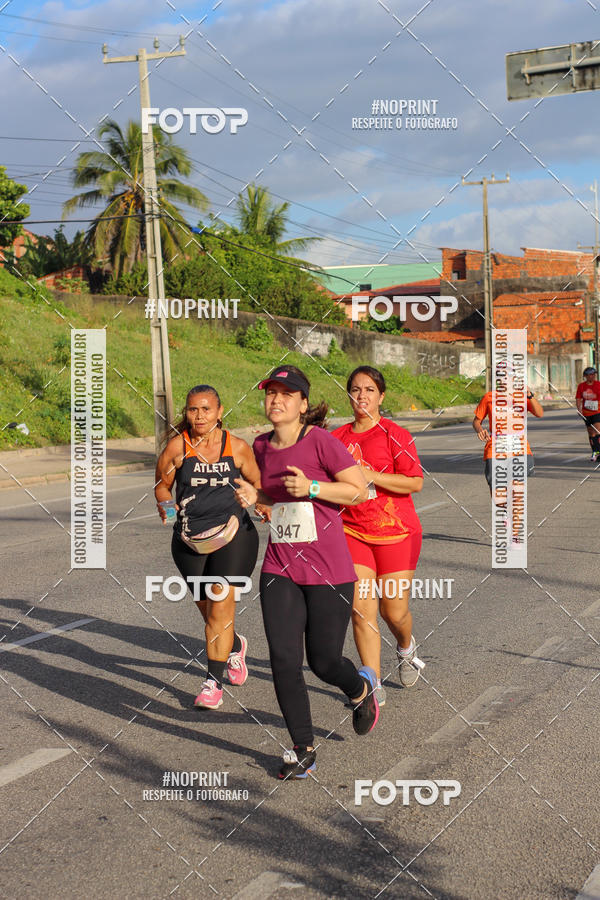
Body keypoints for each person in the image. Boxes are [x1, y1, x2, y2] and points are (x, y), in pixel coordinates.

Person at [234, 365, 379, 780]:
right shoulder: (261, 446)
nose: (275, 400)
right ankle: (302, 748)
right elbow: (273, 500)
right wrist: (255, 496)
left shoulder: (321, 442)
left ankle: (358, 689)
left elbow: (359, 490)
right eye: (270, 393)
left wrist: (314, 489)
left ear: (302, 403)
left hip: (330, 570)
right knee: (283, 658)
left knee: (324, 662)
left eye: (285, 394)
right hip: (281, 565)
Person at [155, 384, 260, 709]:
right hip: (189, 541)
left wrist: (255, 497)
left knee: (219, 604)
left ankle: (212, 683)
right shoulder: (177, 447)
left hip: (234, 536)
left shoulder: (237, 447)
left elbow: (258, 482)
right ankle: (232, 646)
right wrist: (167, 506)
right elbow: (162, 485)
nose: (199, 416)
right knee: (210, 612)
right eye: (192, 409)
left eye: (206, 409)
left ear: (219, 412)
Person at [332, 366, 425, 707]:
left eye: (369, 390)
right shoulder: (337, 439)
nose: (362, 396)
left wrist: (370, 474)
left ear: (381, 396)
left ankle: (405, 646)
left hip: (397, 532)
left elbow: (414, 482)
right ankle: (371, 682)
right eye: (356, 390)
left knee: (394, 612)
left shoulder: (394, 434)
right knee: (360, 610)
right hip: (352, 530)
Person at [473, 386, 543, 492]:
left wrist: (529, 395)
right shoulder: (489, 397)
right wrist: (480, 430)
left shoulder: (522, 396)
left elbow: (539, 413)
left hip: (519, 446)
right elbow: (476, 421)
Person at [575, 366, 600, 461]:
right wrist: (579, 409)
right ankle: (595, 451)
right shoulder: (581, 386)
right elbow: (578, 398)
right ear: (585, 376)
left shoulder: (598, 384)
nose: (593, 376)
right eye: (590, 375)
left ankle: (599, 451)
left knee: (597, 431)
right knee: (591, 433)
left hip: (597, 411)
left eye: (594, 374)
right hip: (586, 413)